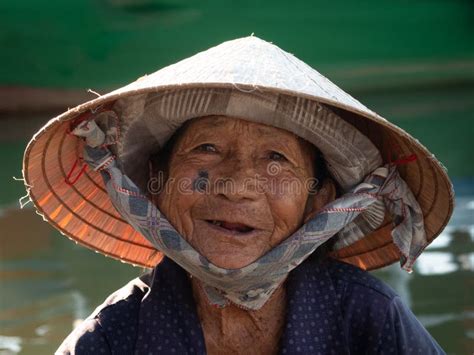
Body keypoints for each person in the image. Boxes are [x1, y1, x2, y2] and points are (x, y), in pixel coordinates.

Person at [22, 36, 453, 354]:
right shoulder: (112, 337)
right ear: (156, 182)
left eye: (276, 158)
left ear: (321, 201)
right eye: (206, 148)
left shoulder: (370, 319)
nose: (236, 185)